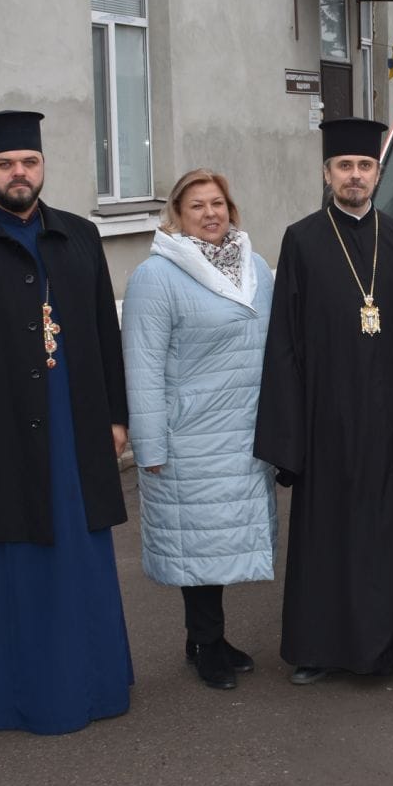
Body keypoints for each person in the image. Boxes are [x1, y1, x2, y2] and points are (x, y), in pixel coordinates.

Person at [0, 110, 134, 733]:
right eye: (5, 163)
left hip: (74, 426)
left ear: (43, 166)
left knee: (79, 556)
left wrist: (116, 416)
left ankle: (94, 685)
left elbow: (102, 332)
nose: (19, 173)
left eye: (29, 162)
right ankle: (11, 696)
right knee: (9, 561)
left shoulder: (80, 235)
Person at [254, 116, 393, 684]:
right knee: (327, 535)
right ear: (327, 173)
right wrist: (290, 430)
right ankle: (318, 650)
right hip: (329, 420)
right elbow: (285, 341)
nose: (355, 176)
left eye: (365, 166)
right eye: (344, 166)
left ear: (378, 173)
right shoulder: (301, 240)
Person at [123, 169, 277, 690]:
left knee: (224, 540)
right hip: (190, 437)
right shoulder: (157, 276)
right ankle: (206, 644)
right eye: (197, 206)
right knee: (200, 545)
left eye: (218, 203)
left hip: (245, 433)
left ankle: (209, 638)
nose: (210, 213)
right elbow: (141, 367)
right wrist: (150, 443)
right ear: (176, 216)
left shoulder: (254, 266)